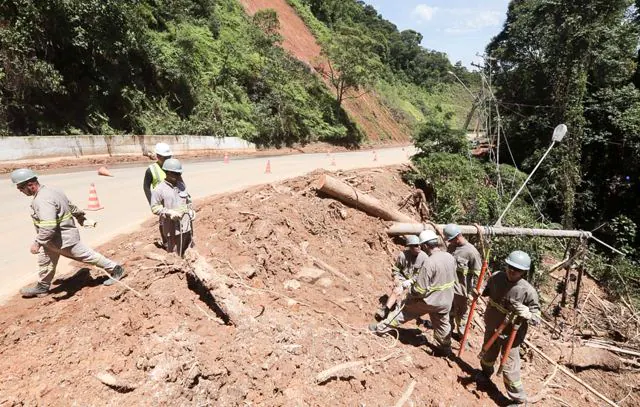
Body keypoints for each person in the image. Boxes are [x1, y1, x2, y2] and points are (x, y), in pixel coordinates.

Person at [11, 168, 125, 298]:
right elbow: (71, 206)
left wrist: (37, 243)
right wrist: (81, 218)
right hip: (51, 241)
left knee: (87, 255)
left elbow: (49, 226)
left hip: (64, 240)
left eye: (21, 188)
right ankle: (42, 287)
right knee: (45, 262)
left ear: (30, 185)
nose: (20, 191)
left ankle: (116, 269)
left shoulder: (42, 200)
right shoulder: (53, 191)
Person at [370, 230, 456, 356]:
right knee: (442, 325)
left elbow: (420, 290)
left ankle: (380, 328)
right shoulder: (449, 257)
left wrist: (409, 292)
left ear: (426, 246)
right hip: (446, 301)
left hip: (429, 301)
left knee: (403, 312)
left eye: (421, 245)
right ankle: (446, 349)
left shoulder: (429, 262)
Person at [475, 250, 541, 405]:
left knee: (509, 370)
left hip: (510, 336)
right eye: (510, 266)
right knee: (487, 357)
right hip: (492, 327)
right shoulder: (497, 277)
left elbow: (537, 318)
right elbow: (487, 291)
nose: (512, 271)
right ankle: (485, 375)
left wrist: (528, 314)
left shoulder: (528, 291)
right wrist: (479, 293)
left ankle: (519, 400)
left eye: (517, 269)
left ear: (524, 272)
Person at [375, 235, 428, 320]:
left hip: (417, 281)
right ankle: (386, 310)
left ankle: (413, 316)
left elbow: (423, 275)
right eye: (415, 245)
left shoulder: (424, 257)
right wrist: (396, 278)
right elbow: (396, 269)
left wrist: (411, 281)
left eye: (418, 245)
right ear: (410, 247)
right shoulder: (403, 255)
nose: (418, 247)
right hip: (403, 278)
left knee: (412, 297)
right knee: (397, 290)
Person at [443, 223, 483, 338]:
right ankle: (447, 333)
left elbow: (478, 273)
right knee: (448, 311)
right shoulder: (451, 247)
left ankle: (462, 335)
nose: (449, 242)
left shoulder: (471, 252)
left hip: (462, 290)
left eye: (450, 240)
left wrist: (475, 290)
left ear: (457, 237)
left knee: (461, 315)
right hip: (449, 287)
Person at [149, 158, 195, 256]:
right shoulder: (159, 190)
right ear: (167, 172)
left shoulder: (181, 185)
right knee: (176, 254)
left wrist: (190, 211)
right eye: (175, 174)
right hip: (172, 229)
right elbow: (154, 207)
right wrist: (169, 213)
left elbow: (187, 201)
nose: (178, 176)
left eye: (179, 174)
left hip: (187, 226)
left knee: (189, 251)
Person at [143, 142, 173, 248]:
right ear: (159, 156)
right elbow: (146, 187)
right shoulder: (151, 170)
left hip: (172, 199)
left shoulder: (172, 166)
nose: (168, 159)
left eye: (169, 157)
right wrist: (152, 202)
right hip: (160, 202)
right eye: (165, 157)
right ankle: (166, 242)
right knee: (163, 221)